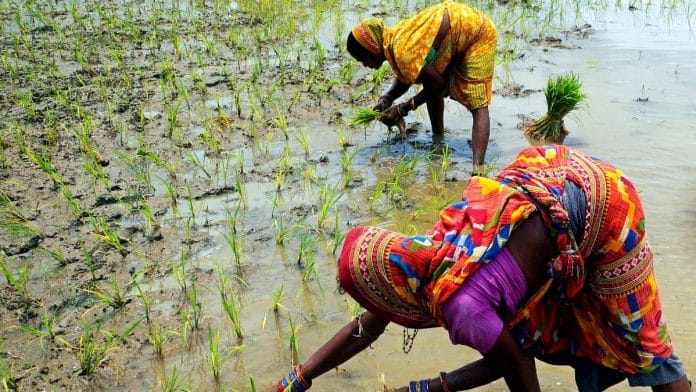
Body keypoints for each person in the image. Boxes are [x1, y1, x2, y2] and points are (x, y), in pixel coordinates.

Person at [269, 145, 690, 392]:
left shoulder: (461, 305)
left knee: (643, 342)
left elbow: (516, 364)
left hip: (606, 207)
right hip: (551, 173)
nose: (371, 306)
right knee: (549, 324)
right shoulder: (422, 259)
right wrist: (298, 379)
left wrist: (429, 388)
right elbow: (363, 328)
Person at [346, 0, 497, 173]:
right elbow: (410, 75)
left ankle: (478, 169)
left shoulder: (401, 50)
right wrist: (387, 98)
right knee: (429, 81)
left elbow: (437, 85)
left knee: (477, 103)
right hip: (456, 27)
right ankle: (438, 140)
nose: (365, 65)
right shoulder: (393, 40)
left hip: (477, 33)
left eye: (362, 59)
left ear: (372, 48)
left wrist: (404, 108)